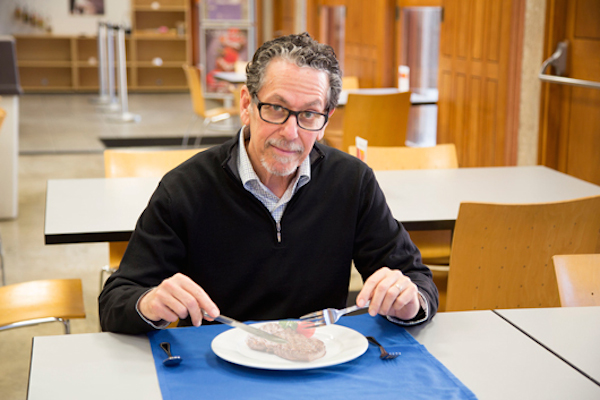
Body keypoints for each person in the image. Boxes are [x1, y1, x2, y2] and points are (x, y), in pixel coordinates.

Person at [99, 33, 438, 334]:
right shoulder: (185, 188)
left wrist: (410, 301)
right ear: (247, 105)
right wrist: (149, 303)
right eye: (276, 108)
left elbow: (417, 280)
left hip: (320, 364)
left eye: (308, 114)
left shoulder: (352, 182)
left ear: (325, 121)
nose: (290, 133)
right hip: (217, 368)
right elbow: (116, 299)